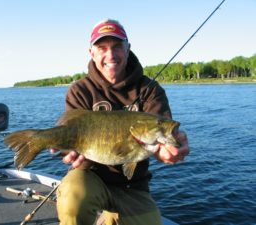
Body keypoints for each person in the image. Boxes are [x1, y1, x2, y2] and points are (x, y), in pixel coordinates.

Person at [55, 18, 189, 225]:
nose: (110, 55)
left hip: (133, 187)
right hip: (90, 178)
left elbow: (163, 141)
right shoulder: (79, 90)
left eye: (117, 46)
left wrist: (167, 153)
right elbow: (70, 133)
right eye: (102, 48)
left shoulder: (150, 90)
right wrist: (70, 152)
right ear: (91, 52)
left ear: (128, 49)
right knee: (72, 197)